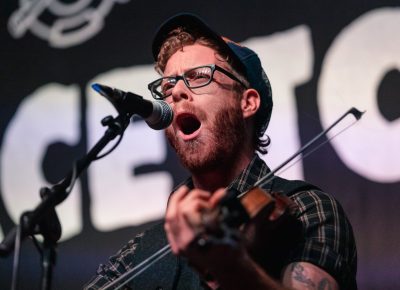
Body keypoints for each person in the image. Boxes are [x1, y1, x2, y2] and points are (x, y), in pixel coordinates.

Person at [84, 13, 357, 290]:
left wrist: (228, 264)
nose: (177, 92)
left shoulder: (306, 210)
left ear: (247, 103)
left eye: (199, 76)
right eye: (167, 85)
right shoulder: (143, 252)